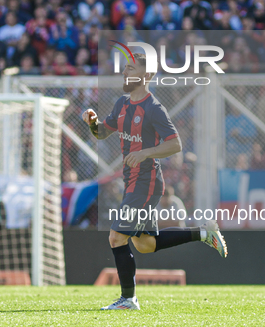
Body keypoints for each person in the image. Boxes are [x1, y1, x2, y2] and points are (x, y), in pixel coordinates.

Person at [82, 53, 227, 311]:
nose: (125, 73)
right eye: (124, 69)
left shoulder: (153, 108)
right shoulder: (122, 104)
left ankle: (128, 300)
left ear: (146, 75)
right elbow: (102, 133)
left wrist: (145, 152)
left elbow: (175, 144)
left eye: (130, 69)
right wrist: (93, 123)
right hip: (133, 182)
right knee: (144, 244)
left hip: (146, 181)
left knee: (116, 238)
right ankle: (203, 232)